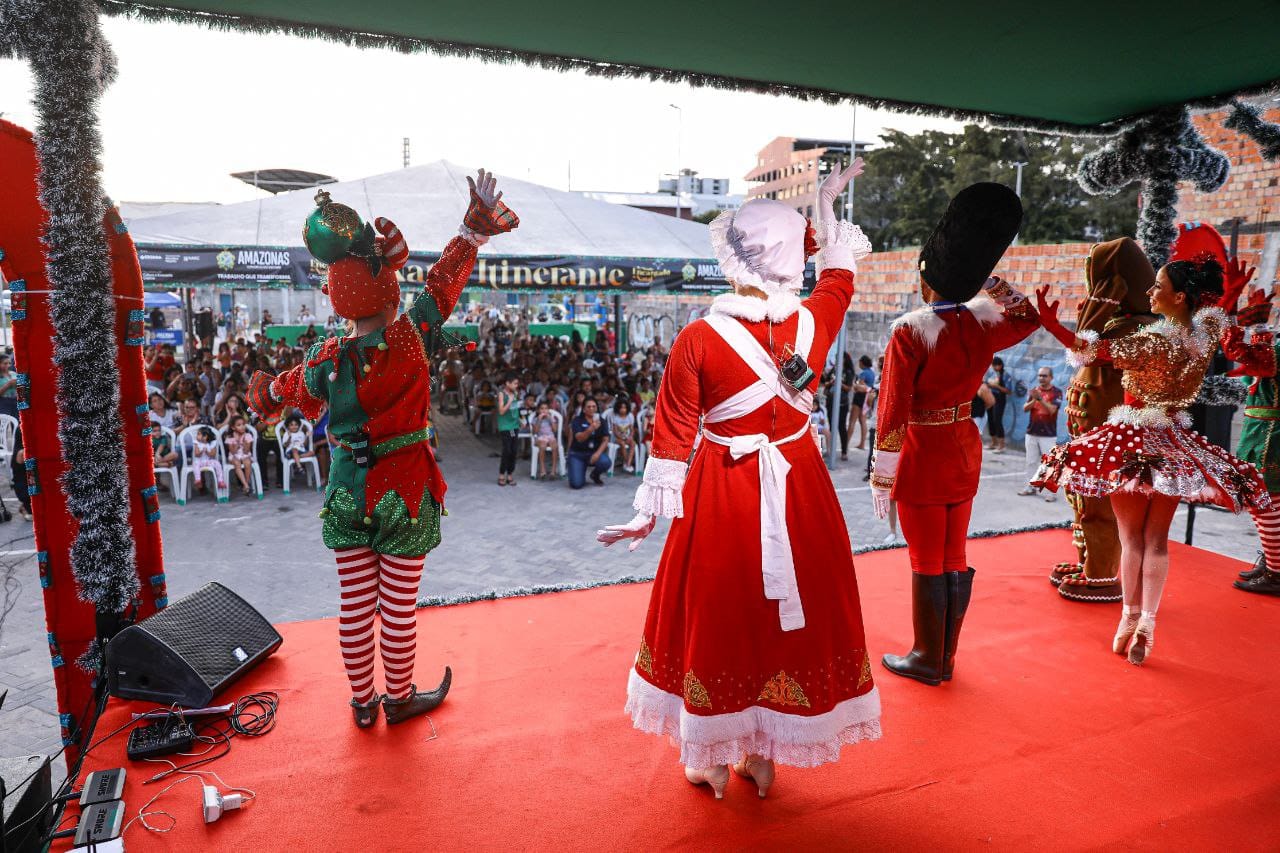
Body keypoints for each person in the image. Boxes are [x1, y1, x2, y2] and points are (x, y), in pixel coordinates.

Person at [597, 162, 880, 800]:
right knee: (778, 621)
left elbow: (671, 432)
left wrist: (646, 516)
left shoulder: (698, 338)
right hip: (800, 484)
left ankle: (712, 760)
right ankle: (761, 754)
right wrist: (824, 206)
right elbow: (839, 271)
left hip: (724, 490)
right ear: (788, 260)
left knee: (721, 616)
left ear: (736, 258)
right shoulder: (816, 321)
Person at [246, 169, 517, 727]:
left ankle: (362, 704)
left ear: (340, 296)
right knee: (396, 610)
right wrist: (472, 229)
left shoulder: (323, 361)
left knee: (353, 608)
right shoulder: (410, 336)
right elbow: (443, 283)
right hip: (406, 489)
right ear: (387, 286)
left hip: (348, 489)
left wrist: (271, 391)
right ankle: (399, 698)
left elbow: (269, 398)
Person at [1034, 255, 1269, 664]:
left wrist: (1051, 324)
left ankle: (1127, 619)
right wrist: (1228, 291)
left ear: (1179, 296)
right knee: (1156, 541)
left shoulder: (1151, 342)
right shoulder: (1203, 335)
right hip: (1174, 441)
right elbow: (1217, 313)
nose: (1150, 292)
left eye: (1157, 286)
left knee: (1131, 539)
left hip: (1130, 439)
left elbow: (1092, 351)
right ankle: (1148, 622)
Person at [871, 182, 1040, 687]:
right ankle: (944, 658)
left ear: (926, 279)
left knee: (926, 559)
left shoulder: (909, 330)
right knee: (954, 555)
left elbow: (893, 410)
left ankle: (928, 657)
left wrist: (882, 476)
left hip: (923, 453)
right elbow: (1027, 316)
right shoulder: (982, 324)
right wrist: (991, 282)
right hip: (964, 447)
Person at [1049, 237, 1158, 602]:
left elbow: (1083, 351)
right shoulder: (1117, 321)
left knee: (1101, 499)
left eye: (1096, 275)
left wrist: (1092, 313)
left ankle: (1101, 574)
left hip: (1112, 439)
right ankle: (1088, 562)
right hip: (1088, 434)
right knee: (1083, 497)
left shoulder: (1137, 328)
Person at [1223, 284, 1280, 596]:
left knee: (1267, 503)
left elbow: (1249, 356)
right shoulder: (1271, 351)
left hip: (1270, 435)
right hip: (1258, 431)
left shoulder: (1272, 353)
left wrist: (1251, 325)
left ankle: (1276, 571)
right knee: (1261, 503)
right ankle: (1272, 562)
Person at [1018, 366, 1062, 501]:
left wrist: (1041, 399)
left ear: (1051, 377)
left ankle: (1051, 493)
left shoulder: (1057, 392)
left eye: (1044, 376)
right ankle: (1030, 487)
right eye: (1040, 375)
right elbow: (1025, 408)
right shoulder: (1035, 392)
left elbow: (1052, 411)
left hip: (1048, 435)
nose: (1041, 378)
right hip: (1032, 432)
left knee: (1049, 463)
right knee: (1030, 462)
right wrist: (1034, 399)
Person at [567, 398, 610, 488]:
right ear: (584, 409)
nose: (591, 409)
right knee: (576, 484)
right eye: (589, 407)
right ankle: (580, 469)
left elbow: (605, 439)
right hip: (577, 454)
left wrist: (598, 454)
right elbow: (579, 438)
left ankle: (595, 475)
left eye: (594, 406)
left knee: (605, 462)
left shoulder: (601, 421)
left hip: (593, 452)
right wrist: (591, 428)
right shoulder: (577, 420)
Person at [496, 372, 521, 486]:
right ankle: (502, 474)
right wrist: (509, 401)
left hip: (515, 425)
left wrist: (521, 420)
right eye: (515, 383)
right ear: (507, 383)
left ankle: (510, 474)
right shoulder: (502, 394)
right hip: (506, 427)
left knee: (514, 450)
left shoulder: (515, 393)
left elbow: (516, 409)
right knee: (507, 450)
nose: (517, 385)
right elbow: (501, 411)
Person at [224, 415, 255, 496]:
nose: (242, 427)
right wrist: (237, 441)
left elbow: (246, 451)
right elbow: (233, 452)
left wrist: (245, 443)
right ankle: (246, 485)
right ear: (233, 428)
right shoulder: (230, 437)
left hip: (245, 454)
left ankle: (246, 484)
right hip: (234, 455)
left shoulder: (248, 435)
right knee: (237, 464)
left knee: (247, 463)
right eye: (239, 425)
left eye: (243, 424)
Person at [191, 425, 226, 493]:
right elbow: (196, 454)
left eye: (198, 434)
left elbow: (213, 454)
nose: (196, 436)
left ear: (205, 436)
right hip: (199, 461)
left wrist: (207, 452)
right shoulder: (197, 443)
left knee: (217, 463)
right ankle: (198, 479)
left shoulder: (212, 443)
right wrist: (201, 451)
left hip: (208, 461)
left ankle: (220, 481)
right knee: (195, 464)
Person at [985, 356, 1010, 451]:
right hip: (991, 398)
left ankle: (1001, 445)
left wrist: (996, 386)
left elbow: (1008, 391)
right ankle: (994, 442)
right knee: (991, 420)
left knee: (997, 421)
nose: (994, 367)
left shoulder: (1006, 375)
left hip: (1000, 400)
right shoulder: (993, 374)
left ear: (1000, 365)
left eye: (995, 365)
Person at [531, 401, 559, 480]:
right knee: (542, 445)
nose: (544, 411)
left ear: (549, 410)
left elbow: (554, 430)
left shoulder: (551, 418)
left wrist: (551, 420)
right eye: (542, 409)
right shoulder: (535, 419)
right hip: (540, 437)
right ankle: (542, 469)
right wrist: (539, 420)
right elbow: (535, 432)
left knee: (554, 445)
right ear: (538, 410)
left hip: (550, 436)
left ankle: (553, 470)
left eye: (546, 408)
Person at [611, 399, 638, 473]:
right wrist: (621, 437)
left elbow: (632, 430)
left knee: (633, 444)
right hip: (617, 438)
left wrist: (630, 437)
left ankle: (628, 464)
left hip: (627, 437)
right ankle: (627, 464)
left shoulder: (630, 416)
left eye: (624, 408)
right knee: (622, 444)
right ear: (618, 408)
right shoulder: (615, 417)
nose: (623, 410)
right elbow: (615, 431)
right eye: (621, 408)